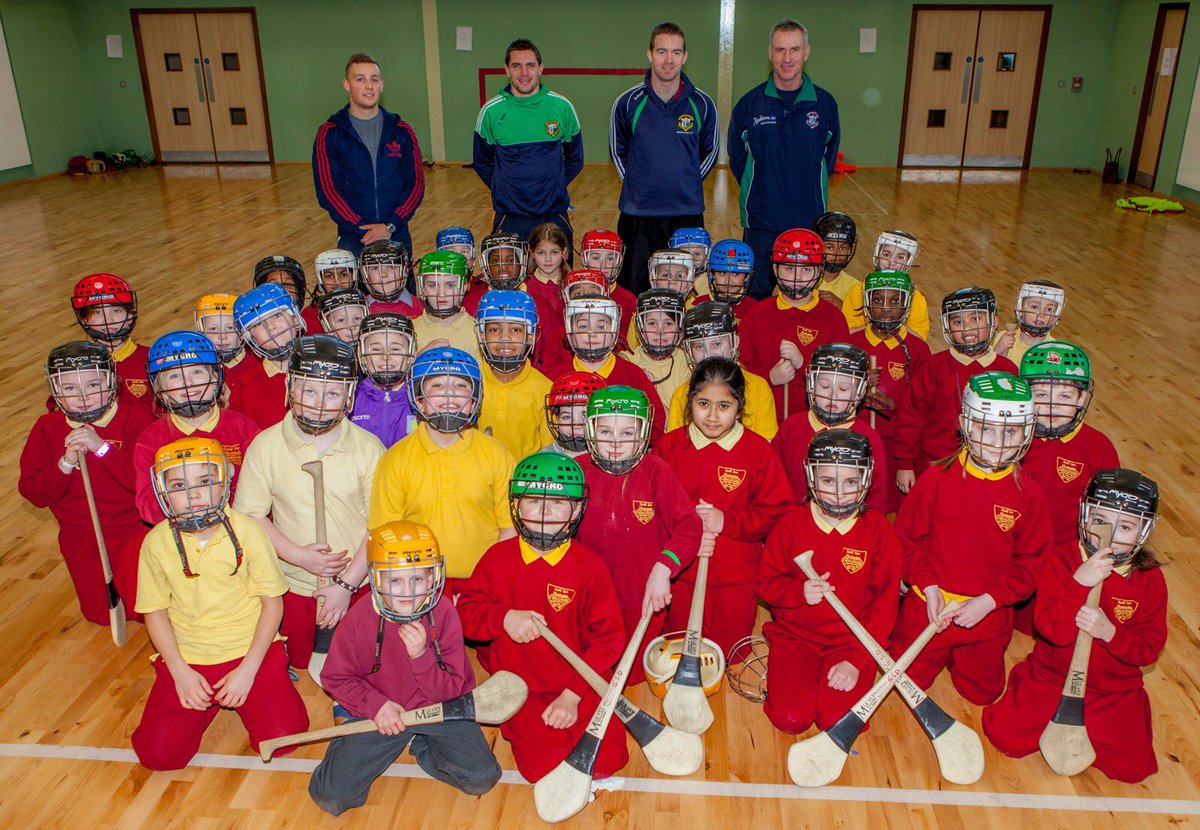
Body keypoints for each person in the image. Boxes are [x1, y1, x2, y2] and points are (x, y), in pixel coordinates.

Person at [131, 438, 308, 770]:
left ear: (225, 481)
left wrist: (248, 670)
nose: (194, 493)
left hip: (249, 649)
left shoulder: (249, 531)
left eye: (204, 481)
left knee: (284, 741)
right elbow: (154, 612)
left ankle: (265, 683)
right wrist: (180, 671)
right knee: (158, 756)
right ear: (163, 490)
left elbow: (272, 604)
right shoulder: (155, 542)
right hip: (190, 655)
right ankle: (206, 698)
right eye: (180, 485)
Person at [982, 469, 1166, 783]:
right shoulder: (1061, 560)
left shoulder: (1149, 581)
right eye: (1099, 519)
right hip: (1053, 678)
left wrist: (1110, 632)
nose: (1108, 532)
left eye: (1125, 526)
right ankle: (1024, 680)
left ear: (1144, 531)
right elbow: (1051, 630)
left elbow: (1148, 650)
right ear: (1084, 514)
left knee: (1133, 770)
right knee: (1004, 736)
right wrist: (1079, 582)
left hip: (1112, 691)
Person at [308, 520, 501, 814]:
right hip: (384, 713)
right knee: (331, 797)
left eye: (418, 580)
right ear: (375, 579)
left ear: (434, 577)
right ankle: (347, 735)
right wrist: (376, 705)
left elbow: (452, 689)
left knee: (481, 779)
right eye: (395, 581)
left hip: (438, 709)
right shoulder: (359, 618)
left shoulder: (445, 612)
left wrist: (421, 656)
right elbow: (335, 676)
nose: (408, 592)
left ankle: (422, 744)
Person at [458, 453, 628, 782]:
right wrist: (503, 618)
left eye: (559, 503)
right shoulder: (496, 559)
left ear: (577, 509)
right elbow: (467, 613)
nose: (546, 512)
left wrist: (572, 695)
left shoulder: (590, 566)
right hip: (519, 688)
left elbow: (609, 641)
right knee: (543, 769)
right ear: (515, 505)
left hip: (579, 684)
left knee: (608, 760)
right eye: (534, 500)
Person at [890, 372, 1052, 705]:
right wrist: (928, 586)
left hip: (987, 614)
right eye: (987, 428)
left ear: (1028, 431)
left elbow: (1033, 562)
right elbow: (907, 538)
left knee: (983, 695)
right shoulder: (936, 478)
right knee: (905, 686)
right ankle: (939, 650)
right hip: (930, 607)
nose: (998, 442)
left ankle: (959, 655)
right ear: (965, 423)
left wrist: (990, 601)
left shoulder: (1030, 494)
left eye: (1011, 432)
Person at [234, 336, 384, 683]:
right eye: (309, 390)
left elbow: (379, 526)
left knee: (360, 664)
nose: (319, 404)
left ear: (349, 396)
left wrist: (345, 586)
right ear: (290, 387)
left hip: (356, 582)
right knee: (300, 661)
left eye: (332, 393)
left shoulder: (368, 449)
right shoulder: (265, 445)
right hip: (292, 582)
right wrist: (299, 556)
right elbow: (250, 515)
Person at [757, 430, 900, 734]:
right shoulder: (790, 525)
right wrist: (798, 592)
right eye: (827, 481)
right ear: (811, 477)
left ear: (866, 480)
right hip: (796, 636)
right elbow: (766, 583)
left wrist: (857, 660)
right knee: (791, 719)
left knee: (837, 723)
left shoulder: (879, 532)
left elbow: (885, 606)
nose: (838, 493)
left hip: (853, 640)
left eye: (850, 482)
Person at [653, 358, 792, 654]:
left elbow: (777, 512)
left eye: (724, 406)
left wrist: (725, 522)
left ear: (739, 406)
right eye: (703, 403)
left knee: (731, 655)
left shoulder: (758, 451)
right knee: (678, 652)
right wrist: (686, 535)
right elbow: (653, 509)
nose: (713, 416)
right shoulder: (669, 447)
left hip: (736, 579)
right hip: (682, 577)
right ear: (690, 402)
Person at [575, 386, 703, 683]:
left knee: (630, 677)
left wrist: (664, 567)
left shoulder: (656, 470)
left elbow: (689, 525)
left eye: (628, 433)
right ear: (590, 430)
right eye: (606, 432)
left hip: (641, 597)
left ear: (644, 432)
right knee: (591, 672)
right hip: (590, 597)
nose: (616, 443)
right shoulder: (576, 471)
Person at [19, 342, 152, 626]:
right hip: (80, 534)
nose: (82, 397)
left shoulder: (135, 419)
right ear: (54, 390)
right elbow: (34, 493)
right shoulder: (47, 428)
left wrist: (102, 449)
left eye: (93, 384)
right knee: (99, 615)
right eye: (69, 389)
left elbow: (143, 481)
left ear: (111, 380)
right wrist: (64, 465)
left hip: (131, 531)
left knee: (143, 611)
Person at [369, 348, 516, 592]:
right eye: (437, 386)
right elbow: (385, 533)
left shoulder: (498, 455)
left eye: (460, 386)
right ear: (418, 399)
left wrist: (488, 582)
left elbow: (509, 530)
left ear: (474, 400)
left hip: (484, 583)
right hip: (417, 584)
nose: (449, 394)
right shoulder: (396, 458)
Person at [728, 19, 840, 298]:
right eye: (780, 50)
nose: (787, 58)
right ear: (770, 53)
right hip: (761, 225)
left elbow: (829, 159)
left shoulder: (825, 105)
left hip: (808, 223)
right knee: (756, 300)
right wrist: (763, 191)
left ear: (806, 52)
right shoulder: (748, 104)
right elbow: (737, 160)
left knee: (803, 300)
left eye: (794, 49)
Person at [610, 22, 718, 296]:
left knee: (685, 291)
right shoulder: (627, 102)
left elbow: (711, 152)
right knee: (634, 291)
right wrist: (638, 185)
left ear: (685, 56)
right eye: (661, 51)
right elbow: (617, 150)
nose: (668, 60)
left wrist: (686, 183)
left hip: (686, 215)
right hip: (638, 217)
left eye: (675, 52)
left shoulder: (702, 104)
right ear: (649, 54)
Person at [894, 288, 1017, 493]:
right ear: (947, 327)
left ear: (994, 322)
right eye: (957, 322)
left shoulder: (1008, 370)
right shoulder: (934, 366)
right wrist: (905, 464)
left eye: (976, 318)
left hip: (990, 467)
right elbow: (911, 416)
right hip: (933, 464)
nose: (967, 328)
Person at [134, 331, 261, 525]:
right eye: (175, 375)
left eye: (197, 371)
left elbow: (263, 493)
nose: (188, 383)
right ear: (159, 388)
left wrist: (230, 474)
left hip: (241, 532)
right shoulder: (151, 441)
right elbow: (149, 508)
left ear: (216, 376)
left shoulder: (243, 428)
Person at [473, 39, 582, 248]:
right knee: (509, 281)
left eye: (530, 65)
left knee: (557, 280)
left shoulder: (562, 107)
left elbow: (575, 159)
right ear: (507, 69)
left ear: (541, 68)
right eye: (516, 65)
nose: (524, 72)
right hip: (509, 218)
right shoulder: (490, 111)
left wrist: (554, 186)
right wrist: (504, 189)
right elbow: (482, 162)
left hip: (554, 215)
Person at [312, 52, 424, 255]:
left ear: (381, 84)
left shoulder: (402, 131)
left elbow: (416, 185)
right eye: (360, 79)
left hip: (396, 234)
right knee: (355, 288)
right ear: (347, 84)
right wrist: (359, 228)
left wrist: (390, 226)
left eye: (374, 80)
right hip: (354, 238)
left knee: (404, 288)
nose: (369, 86)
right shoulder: (330, 133)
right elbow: (328, 191)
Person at [739, 229, 850, 421]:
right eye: (789, 268)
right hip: (760, 420)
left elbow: (842, 381)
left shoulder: (834, 318)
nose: (797, 277)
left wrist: (804, 366)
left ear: (820, 270)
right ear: (774, 269)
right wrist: (769, 378)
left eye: (806, 269)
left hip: (814, 422)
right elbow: (739, 371)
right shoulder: (757, 314)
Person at [845, 272, 931, 513]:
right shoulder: (849, 341)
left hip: (895, 448)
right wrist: (858, 391)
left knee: (890, 513)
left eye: (895, 301)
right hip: (854, 444)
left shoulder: (918, 350)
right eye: (878, 299)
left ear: (907, 304)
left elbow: (922, 408)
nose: (885, 308)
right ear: (865, 301)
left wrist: (890, 406)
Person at [772, 343, 888, 514]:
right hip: (793, 528)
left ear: (859, 391)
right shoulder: (791, 427)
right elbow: (771, 483)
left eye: (843, 388)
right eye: (824, 386)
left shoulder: (869, 438)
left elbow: (877, 499)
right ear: (811, 384)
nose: (832, 395)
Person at [666, 301, 779, 440]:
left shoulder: (758, 388)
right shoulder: (681, 394)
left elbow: (765, 447)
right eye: (699, 347)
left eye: (717, 344)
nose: (708, 354)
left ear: (735, 342)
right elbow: (675, 447)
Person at [563, 296, 665, 441]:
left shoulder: (633, 375)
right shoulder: (554, 376)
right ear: (569, 330)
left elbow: (656, 425)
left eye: (601, 327)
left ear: (615, 330)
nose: (592, 334)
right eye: (583, 327)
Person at [475, 290, 554, 460]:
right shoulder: (469, 381)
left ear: (531, 336)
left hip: (525, 482)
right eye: (495, 329)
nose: (505, 337)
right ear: (481, 335)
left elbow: (549, 451)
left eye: (516, 329)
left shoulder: (545, 388)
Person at [70, 274, 153, 411]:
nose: (108, 319)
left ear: (131, 315)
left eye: (116, 310)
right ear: (83, 319)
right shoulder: (71, 365)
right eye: (96, 313)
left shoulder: (153, 358)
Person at [232, 283, 304, 429]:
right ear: (250, 339)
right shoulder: (245, 388)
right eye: (258, 324)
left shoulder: (327, 363)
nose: (270, 326)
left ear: (295, 318)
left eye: (277, 315)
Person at [840, 231, 931, 340]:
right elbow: (845, 334)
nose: (892, 262)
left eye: (900, 257)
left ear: (909, 262)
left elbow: (919, 341)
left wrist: (896, 325)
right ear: (877, 256)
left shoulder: (917, 298)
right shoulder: (856, 291)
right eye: (886, 255)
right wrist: (876, 325)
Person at [351, 313, 418, 447]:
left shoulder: (420, 399)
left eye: (395, 349)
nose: (385, 356)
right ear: (361, 355)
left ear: (412, 354)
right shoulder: (351, 399)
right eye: (376, 349)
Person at [195, 293, 262, 418]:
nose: (222, 336)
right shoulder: (196, 371)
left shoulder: (258, 369)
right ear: (201, 332)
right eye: (213, 329)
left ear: (242, 332)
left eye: (230, 328)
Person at [622, 288, 690, 410]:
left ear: (679, 327)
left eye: (668, 324)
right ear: (640, 327)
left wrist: (649, 392)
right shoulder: (627, 361)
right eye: (652, 323)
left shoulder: (688, 363)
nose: (660, 331)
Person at [412, 251, 478, 357]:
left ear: (464, 287)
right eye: (433, 285)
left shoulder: (477, 331)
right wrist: (418, 358)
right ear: (423, 288)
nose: (441, 293)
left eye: (450, 285)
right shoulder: (410, 330)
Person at [994, 280, 1066, 366]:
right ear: (1020, 310)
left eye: (1049, 309)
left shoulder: (1057, 352)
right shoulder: (1001, 339)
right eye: (1035, 307)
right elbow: (983, 373)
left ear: (1055, 317)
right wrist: (998, 350)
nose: (1041, 314)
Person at [695, 238, 757, 326]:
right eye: (722, 273)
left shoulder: (754, 308)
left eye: (736, 274)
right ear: (712, 275)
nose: (728, 280)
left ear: (746, 277)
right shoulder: (698, 305)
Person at [544, 371, 605, 456]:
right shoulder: (544, 459)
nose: (576, 426)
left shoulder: (613, 456)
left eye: (585, 416)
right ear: (557, 420)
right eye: (566, 417)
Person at [359, 240, 422, 318]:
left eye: (391, 267)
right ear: (365, 273)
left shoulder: (421, 308)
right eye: (375, 268)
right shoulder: (358, 309)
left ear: (405, 270)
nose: (383, 274)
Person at [813, 212, 860, 305]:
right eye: (830, 247)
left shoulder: (855, 287)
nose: (837, 254)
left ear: (850, 249)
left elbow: (858, 319)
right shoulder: (802, 281)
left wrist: (843, 306)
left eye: (843, 248)